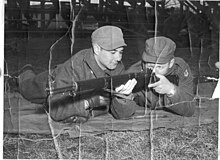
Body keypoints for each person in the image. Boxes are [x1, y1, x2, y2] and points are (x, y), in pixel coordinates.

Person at [8, 26, 138, 123]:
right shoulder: (75, 66)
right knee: (26, 86)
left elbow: (122, 114)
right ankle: (24, 72)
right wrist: (88, 103)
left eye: (120, 52)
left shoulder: (116, 67)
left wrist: (123, 98)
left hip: (68, 85)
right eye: (113, 52)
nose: (118, 58)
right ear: (97, 49)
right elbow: (56, 110)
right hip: (51, 81)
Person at [127, 36, 196, 117]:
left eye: (160, 67)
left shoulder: (179, 69)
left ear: (171, 63)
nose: (154, 72)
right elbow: (122, 113)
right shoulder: (133, 73)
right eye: (150, 67)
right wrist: (122, 97)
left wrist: (171, 90)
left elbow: (189, 110)